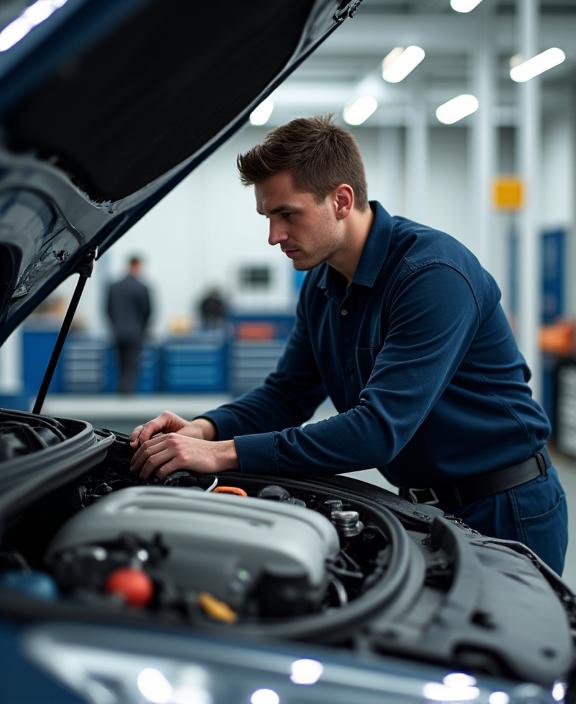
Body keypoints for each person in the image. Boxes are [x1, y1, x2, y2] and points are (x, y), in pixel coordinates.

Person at [129, 116, 567, 574]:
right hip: (424, 507)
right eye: (268, 217)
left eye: (288, 215)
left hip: (505, 508)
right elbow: (287, 394)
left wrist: (223, 453)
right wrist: (204, 429)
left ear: (341, 200)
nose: (273, 236)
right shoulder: (321, 282)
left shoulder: (432, 276)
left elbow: (377, 431)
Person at [106, 255, 152, 394]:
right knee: (131, 364)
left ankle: (121, 389)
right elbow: (147, 311)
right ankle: (127, 393)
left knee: (120, 363)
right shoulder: (141, 287)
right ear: (137, 266)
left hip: (118, 330)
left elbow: (107, 309)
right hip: (135, 331)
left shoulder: (114, 286)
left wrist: (114, 325)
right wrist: (142, 329)